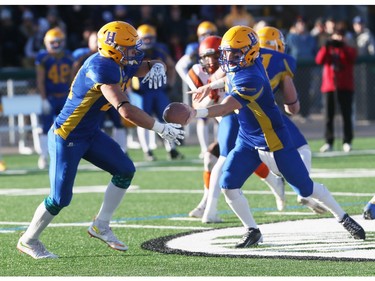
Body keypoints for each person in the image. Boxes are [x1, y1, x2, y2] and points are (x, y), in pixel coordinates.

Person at [16, 21, 184, 259]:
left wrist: (158, 67)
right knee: (60, 199)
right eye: (129, 47)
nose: (134, 52)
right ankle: (28, 240)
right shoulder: (100, 67)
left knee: (125, 170)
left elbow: (146, 64)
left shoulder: (121, 59)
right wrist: (160, 128)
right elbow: (125, 111)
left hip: (90, 133)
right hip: (67, 136)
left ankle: (101, 225)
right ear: (113, 49)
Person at [187, 25, 365, 248]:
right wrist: (211, 85)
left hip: (273, 140)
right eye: (227, 52)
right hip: (247, 139)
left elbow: (225, 107)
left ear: (250, 52)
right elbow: (229, 78)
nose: (228, 58)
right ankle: (252, 230)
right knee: (228, 184)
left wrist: (195, 112)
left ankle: (343, 217)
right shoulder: (249, 62)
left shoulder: (252, 77)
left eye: (235, 53)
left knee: (306, 189)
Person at [186, 35, 286, 223]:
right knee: (221, 158)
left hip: (242, 117)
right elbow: (198, 104)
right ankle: (207, 203)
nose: (211, 61)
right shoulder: (197, 71)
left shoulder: (236, 65)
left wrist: (215, 88)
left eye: (216, 56)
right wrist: (210, 92)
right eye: (207, 57)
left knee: (227, 159)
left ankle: (210, 209)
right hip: (224, 118)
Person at [72, 31, 131, 153]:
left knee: (119, 122)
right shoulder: (86, 57)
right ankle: (101, 152)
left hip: (113, 95)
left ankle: (122, 151)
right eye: (93, 41)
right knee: (98, 125)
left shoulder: (115, 58)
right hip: (95, 98)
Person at [131, 23, 182, 161]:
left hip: (158, 90)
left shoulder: (161, 49)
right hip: (142, 92)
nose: (147, 41)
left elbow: (171, 66)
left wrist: (169, 84)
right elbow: (126, 70)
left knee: (166, 119)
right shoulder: (133, 51)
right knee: (142, 120)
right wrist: (130, 88)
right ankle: (147, 150)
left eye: (150, 38)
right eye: (145, 39)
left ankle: (171, 149)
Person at [176, 21, 218, 159]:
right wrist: (191, 83)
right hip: (203, 81)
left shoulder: (219, 45)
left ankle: (219, 145)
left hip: (217, 81)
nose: (208, 37)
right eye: (205, 34)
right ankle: (205, 149)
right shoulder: (194, 48)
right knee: (203, 116)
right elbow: (181, 65)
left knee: (220, 116)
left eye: (210, 33)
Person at [35, 27, 74, 169]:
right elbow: (40, 80)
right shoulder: (43, 58)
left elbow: (73, 79)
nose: (56, 45)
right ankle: (43, 156)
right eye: (53, 42)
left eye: (59, 42)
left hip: (65, 97)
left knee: (67, 128)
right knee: (45, 127)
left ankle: (66, 155)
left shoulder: (69, 57)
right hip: (50, 97)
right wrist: (43, 98)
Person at [315, 28, 357, 153]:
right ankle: (329, 141)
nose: (338, 38)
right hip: (329, 86)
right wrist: (326, 47)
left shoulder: (348, 48)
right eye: (336, 36)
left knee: (346, 115)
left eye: (341, 36)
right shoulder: (328, 48)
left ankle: (347, 141)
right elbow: (319, 60)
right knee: (329, 115)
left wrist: (342, 46)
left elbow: (352, 57)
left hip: (345, 86)